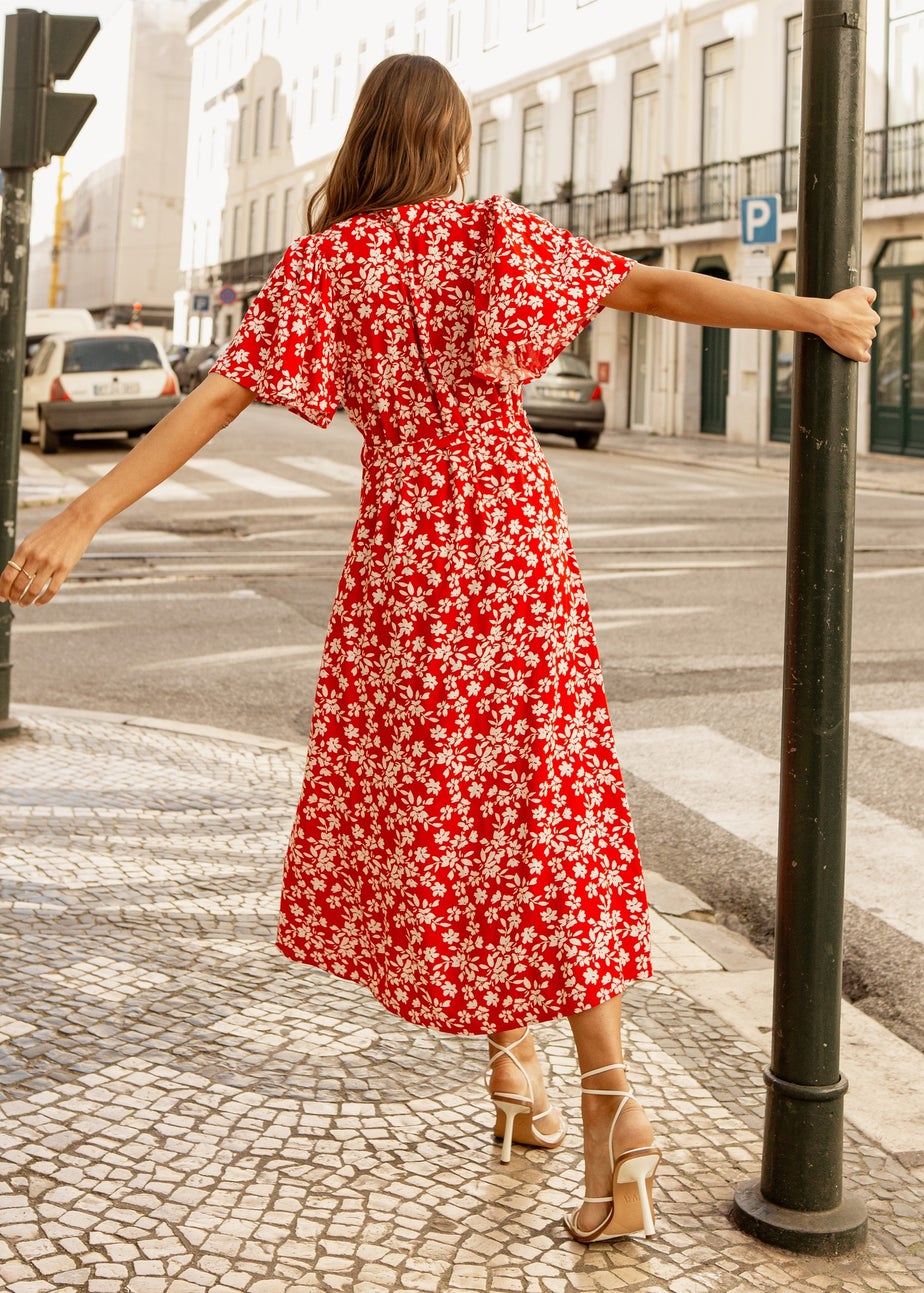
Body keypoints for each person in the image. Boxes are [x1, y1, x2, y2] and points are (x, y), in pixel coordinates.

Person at [1, 54, 879, 1244]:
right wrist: (814, 313)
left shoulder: (329, 265)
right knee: (544, 805)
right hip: (515, 547)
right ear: (452, 146)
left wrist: (80, 513)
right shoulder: (490, 240)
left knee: (462, 809)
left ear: (363, 142)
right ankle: (605, 1104)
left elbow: (211, 404)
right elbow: (660, 295)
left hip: (410, 565)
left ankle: (522, 1073)